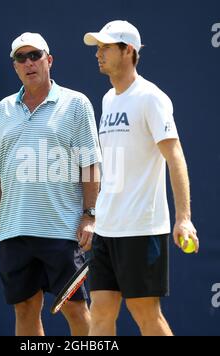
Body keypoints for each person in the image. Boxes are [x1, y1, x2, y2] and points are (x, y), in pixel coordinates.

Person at [0, 32, 101, 336]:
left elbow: (90, 165)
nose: (29, 62)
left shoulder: (76, 104)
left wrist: (89, 215)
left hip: (62, 229)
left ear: (49, 60)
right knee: (25, 308)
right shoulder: (1, 111)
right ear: (15, 66)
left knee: (75, 309)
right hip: (14, 231)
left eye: (35, 55)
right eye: (22, 57)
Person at [83, 20, 199, 336]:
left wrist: (183, 218)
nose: (99, 54)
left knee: (146, 314)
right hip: (108, 229)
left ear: (128, 51)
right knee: (101, 313)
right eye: (98, 48)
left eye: (106, 47)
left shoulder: (151, 98)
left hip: (142, 228)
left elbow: (175, 157)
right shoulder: (108, 100)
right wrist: (94, 216)